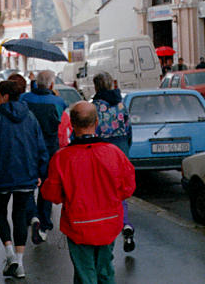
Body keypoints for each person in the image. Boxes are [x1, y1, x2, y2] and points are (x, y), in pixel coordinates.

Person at [41, 101, 136, 284]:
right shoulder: (114, 153)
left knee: (85, 274)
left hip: (78, 224)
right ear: (97, 122)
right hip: (109, 222)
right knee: (106, 271)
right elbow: (128, 188)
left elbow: (52, 194)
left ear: (72, 125)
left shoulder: (62, 158)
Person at [0, 79, 48, 279]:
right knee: (19, 216)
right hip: (26, 175)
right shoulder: (31, 117)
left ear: (5, 96)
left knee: (0, 213)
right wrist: (40, 172)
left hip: (1, 177)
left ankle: (9, 255)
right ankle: (20, 262)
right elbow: (40, 147)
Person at [20, 70, 66, 244]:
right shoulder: (58, 101)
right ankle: (45, 223)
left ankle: (32, 215)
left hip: (28, 147)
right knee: (46, 185)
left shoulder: (25, 99)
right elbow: (60, 120)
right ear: (52, 85)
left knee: (28, 184)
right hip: (49, 149)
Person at [92, 72, 135, 252]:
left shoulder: (94, 107)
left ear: (96, 87)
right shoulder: (121, 105)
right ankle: (125, 223)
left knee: (101, 191)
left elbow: (92, 132)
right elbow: (128, 129)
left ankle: (106, 229)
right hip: (121, 149)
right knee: (119, 191)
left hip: (101, 150)